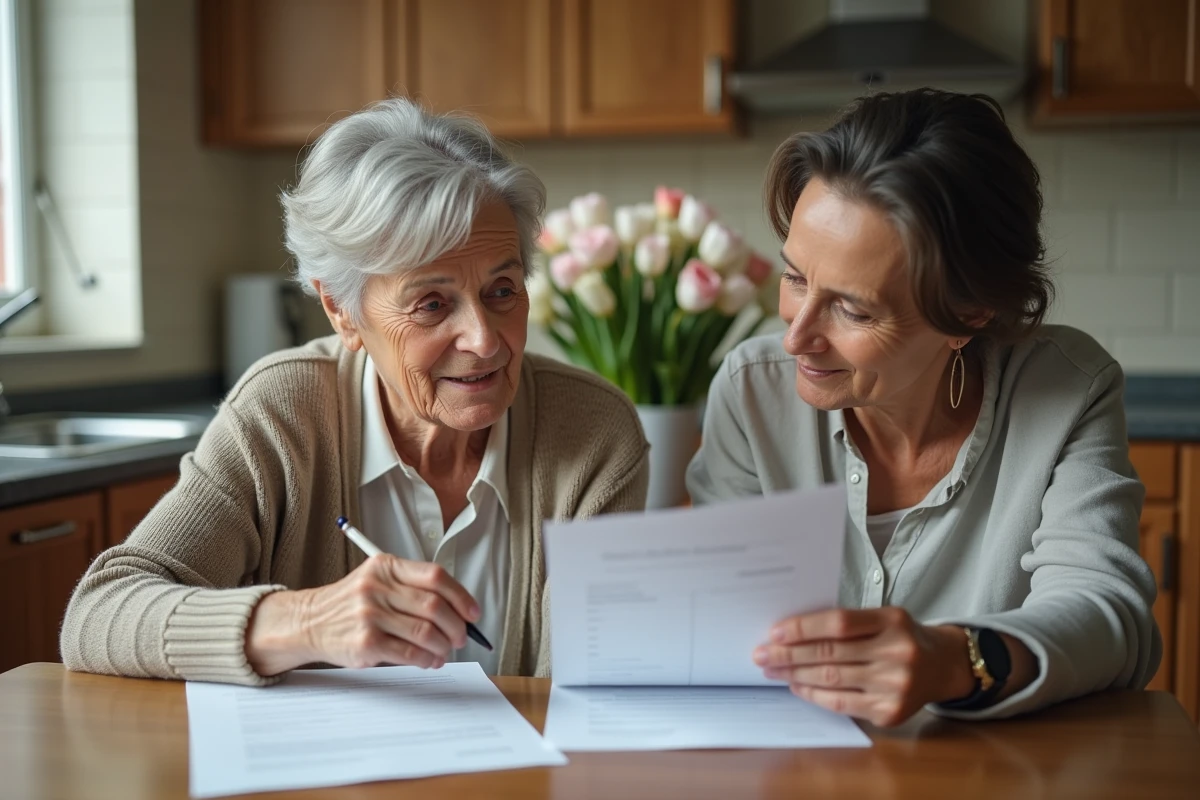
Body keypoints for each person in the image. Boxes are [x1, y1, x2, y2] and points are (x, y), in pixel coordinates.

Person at [61, 98, 649, 685]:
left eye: (502, 290)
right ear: (341, 310)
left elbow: (587, 689)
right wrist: (308, 621)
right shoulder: (279, 414)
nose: (484, 340)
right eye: (432, 304)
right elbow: (98, 615)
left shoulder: (593, 431)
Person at [687, 89, 1159, 725]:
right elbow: (721, 619)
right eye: (795, 278)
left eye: (853, 310)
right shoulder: (751, 393)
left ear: (969, 313)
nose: (796, 337)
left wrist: (954, 660)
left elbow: (1111, 620)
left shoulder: (1068, 391)